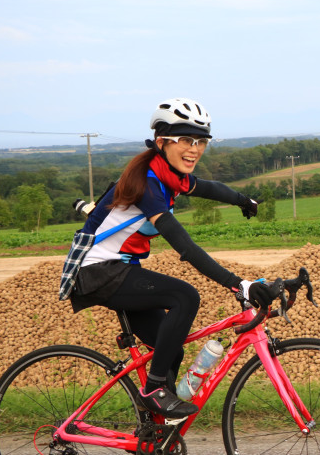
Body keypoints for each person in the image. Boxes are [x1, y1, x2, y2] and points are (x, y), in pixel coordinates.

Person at [71, 97, 272, 418]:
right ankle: (152, 390)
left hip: (119, 270)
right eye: (186, 140)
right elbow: (185, 246)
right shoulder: (146, 184)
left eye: (201, 141)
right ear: (162, 142)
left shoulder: (168, 173)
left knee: (171, 348)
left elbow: (208, 187)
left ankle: (153, 430)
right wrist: (239, 284)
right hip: (99, 272)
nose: (195, 148)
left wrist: (243, 200)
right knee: (185, 296)